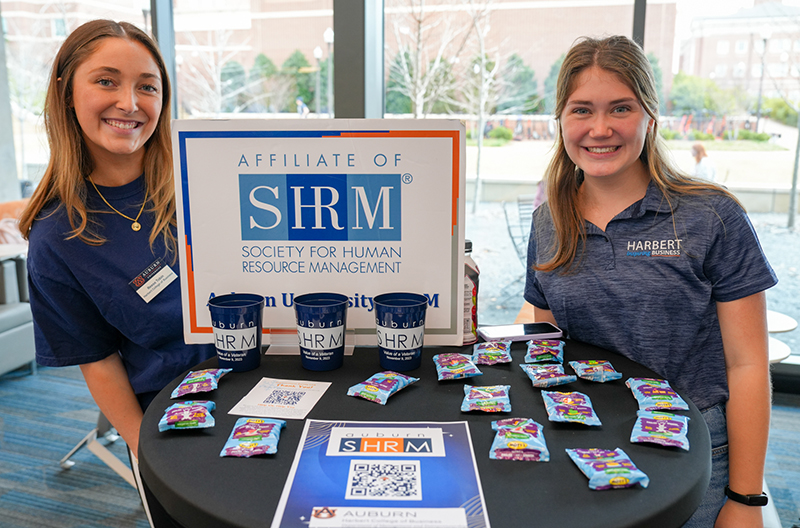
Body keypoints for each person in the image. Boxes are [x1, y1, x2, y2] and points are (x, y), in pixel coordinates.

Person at [517, 36, 775, 528]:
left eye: (620, 108)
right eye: (581, 110)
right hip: (585, 445)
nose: (600, 128)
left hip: (694, 449)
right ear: (561, 122)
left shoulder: (711, 216)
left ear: (650, 119)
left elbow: (747, 365)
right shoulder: (549, 221)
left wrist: (746, 499)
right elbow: (548, 350)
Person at [18, 20, 215, 527]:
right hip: (178, 421)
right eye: (106, 81)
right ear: (65, 90)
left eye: (147, 86)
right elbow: (98, 360)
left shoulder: (210, 181)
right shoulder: (57, 237)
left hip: (282, 389)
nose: (130, 102)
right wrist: (145, 451)